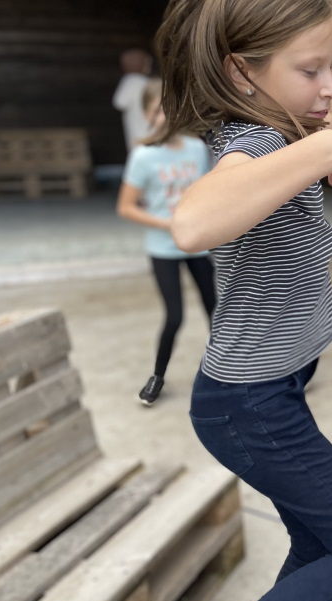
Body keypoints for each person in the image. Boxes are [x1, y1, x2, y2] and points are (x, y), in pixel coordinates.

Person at [124, 3, 332, 601]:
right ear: (242, 72)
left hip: (272, 392)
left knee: (316, 540)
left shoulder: (290, 125)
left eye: (330, 67)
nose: (329, 86)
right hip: (249, 406)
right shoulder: (256, 141)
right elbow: (192, 223)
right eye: (311, 71)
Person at [116, 78, 216, 406]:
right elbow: (126, 207)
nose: (165, 116)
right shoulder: (143, 156)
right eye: (157, 110)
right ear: (146, 114)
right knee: (175, 316)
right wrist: (168, 224)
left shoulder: (197, 149)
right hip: (163, 249)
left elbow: (206, 193)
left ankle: (228, 374)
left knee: (216, 311)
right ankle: (158, 375)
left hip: (197, 245)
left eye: (170, 108)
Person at [112, 48, 154, 154]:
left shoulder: (131, 81)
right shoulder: (139, 81)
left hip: (139, 130)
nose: (148, 66)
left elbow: (119, 103)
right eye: (146, 62)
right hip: (147, 128)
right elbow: (120, 102)